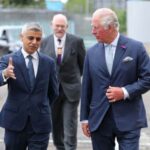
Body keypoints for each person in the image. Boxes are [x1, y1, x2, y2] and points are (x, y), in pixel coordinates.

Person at [80, 8, 150, 150]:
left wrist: (124, 92)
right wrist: (85, 118)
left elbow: (147, 78)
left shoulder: (136, 48)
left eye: (95, 28)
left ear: (110, 27)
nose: (92, 32)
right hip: (99, 120)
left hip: (129, 118)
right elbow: (86, 86)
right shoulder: (91, 53)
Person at [0, 22, 59, 150]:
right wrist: (5, 74)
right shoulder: (8, 59)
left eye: (38, 39)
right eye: (30, 38)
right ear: (22, 37)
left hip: (40, 123)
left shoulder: (48, 63)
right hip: (15, 122)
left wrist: (41, 107)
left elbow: (53, 92)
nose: (34, 42)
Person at [40, 14, 86, 150]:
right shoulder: (44, 42)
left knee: (69, 124)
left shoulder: (77, 41)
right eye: (57, 26)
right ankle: (60, 147)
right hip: (52, 91)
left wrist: (74, 79)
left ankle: (70, 148)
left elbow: (83, 65)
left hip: (71, 91)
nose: (60, 28)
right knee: (55, 124)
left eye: (62, 26)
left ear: (67, 26)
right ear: (51, 25)